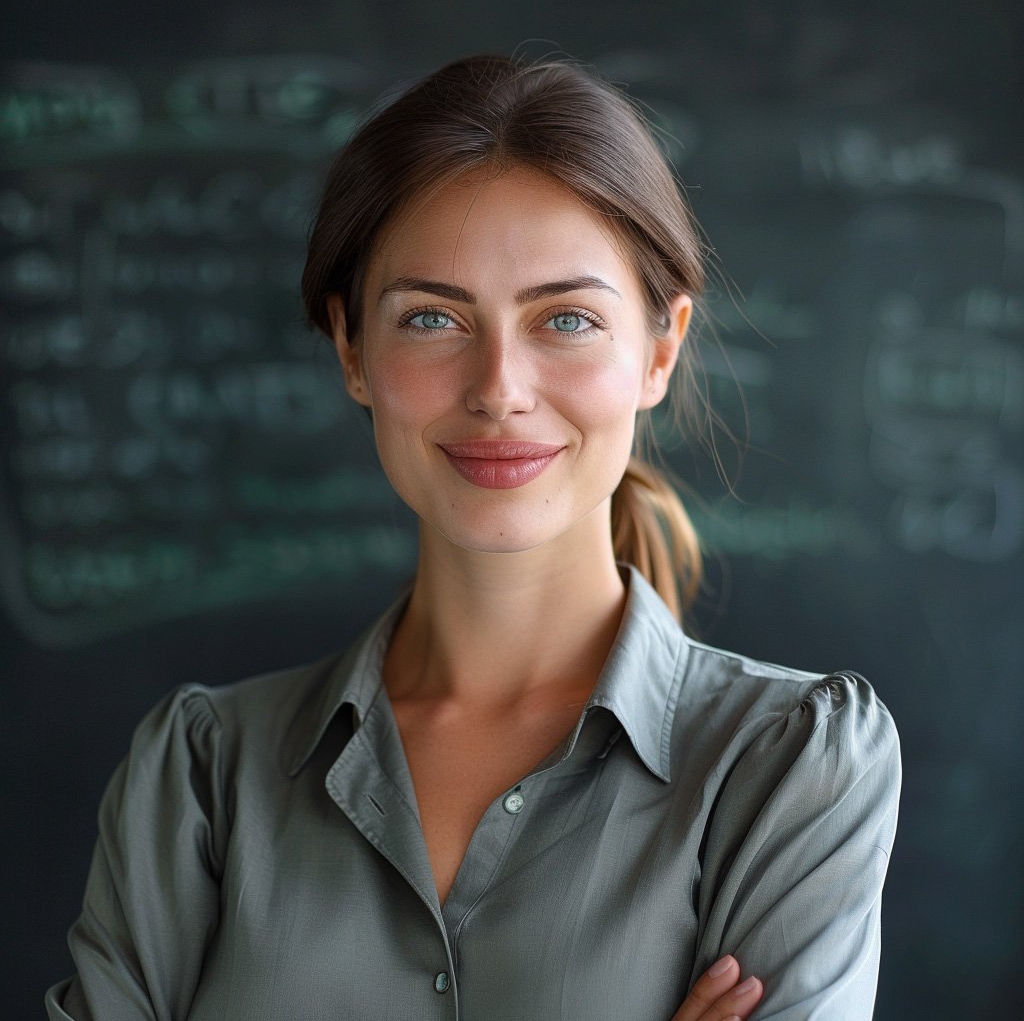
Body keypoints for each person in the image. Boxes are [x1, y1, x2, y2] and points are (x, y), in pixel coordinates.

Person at [45, 53, 901, 1021]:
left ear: (659, 351)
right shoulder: (200, 772)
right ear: (351, 349)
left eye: (566, 319)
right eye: (431, 318)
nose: (498, 386)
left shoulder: (784, 764)